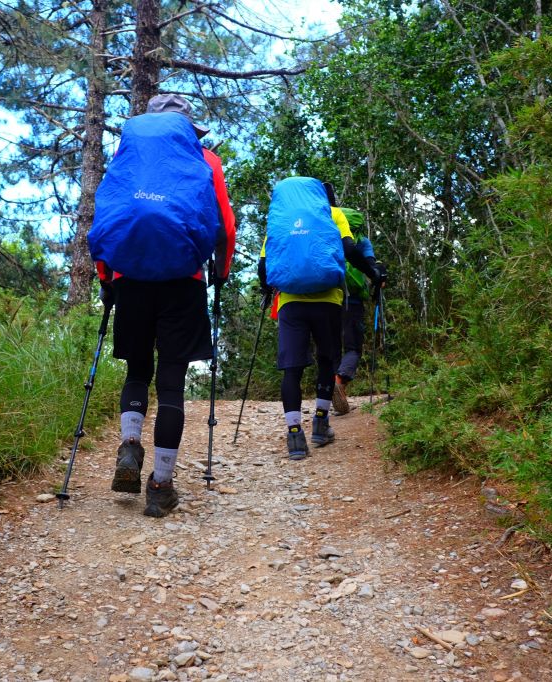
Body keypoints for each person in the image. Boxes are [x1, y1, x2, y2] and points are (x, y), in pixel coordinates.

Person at [94, 94, 236, 517]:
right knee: (171, 383)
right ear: (188, 127)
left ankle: (130, 446)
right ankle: (160, 485)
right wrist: (221, 273)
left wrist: (106, 279)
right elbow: (224, 227)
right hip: (183, 282)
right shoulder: (205, 160)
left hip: (129, 280)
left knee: (138, 370)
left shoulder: (127, 156)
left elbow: (108, 217)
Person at [258, 179, 379, 460]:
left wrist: (267, 289)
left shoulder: (281, 219)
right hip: (328, 299)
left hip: (290, 302)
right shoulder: (333, 214)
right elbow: (349, 251)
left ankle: (294, 436)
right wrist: (373, 272)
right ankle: (321, 424)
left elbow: (264, 265)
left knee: (292, 368)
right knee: (327, 359)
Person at [331, 207, 384, 415]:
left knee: (332, 346)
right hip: (352, 300)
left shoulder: (328, 235)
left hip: (328, 296)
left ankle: (331, 392)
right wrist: (378, 277)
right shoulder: (361, 241)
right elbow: (371, 267)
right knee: (353, 347)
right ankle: (339, 381)